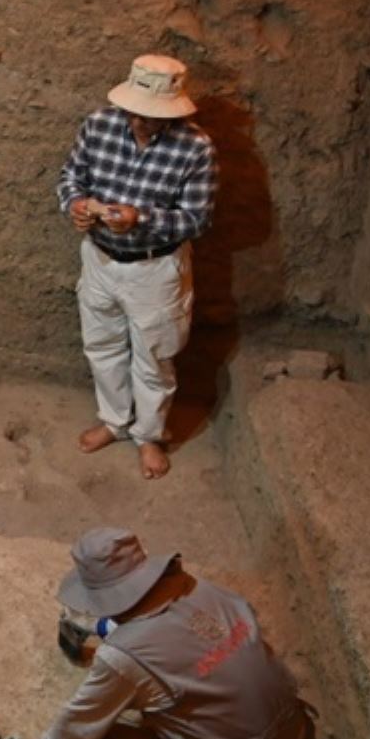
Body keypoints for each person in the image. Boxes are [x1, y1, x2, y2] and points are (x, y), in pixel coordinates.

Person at [7, 527, 315, 739]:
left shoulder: (123, 659)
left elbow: (77, 727)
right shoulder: (200, 589)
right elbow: (174, 627)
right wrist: (100, 627)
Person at [56, 54, 217, 480]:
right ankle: (114, 421)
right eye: (138, 114)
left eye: (153, 117)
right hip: (101, 258)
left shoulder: (194, 147)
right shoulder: (100, 125)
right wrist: (74, 204)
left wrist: (140, 219)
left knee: (154, 356)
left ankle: (149, 434)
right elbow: (71, 175)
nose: (143, 123)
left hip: (155, 268)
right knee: (102, 344)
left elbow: (197, 218)